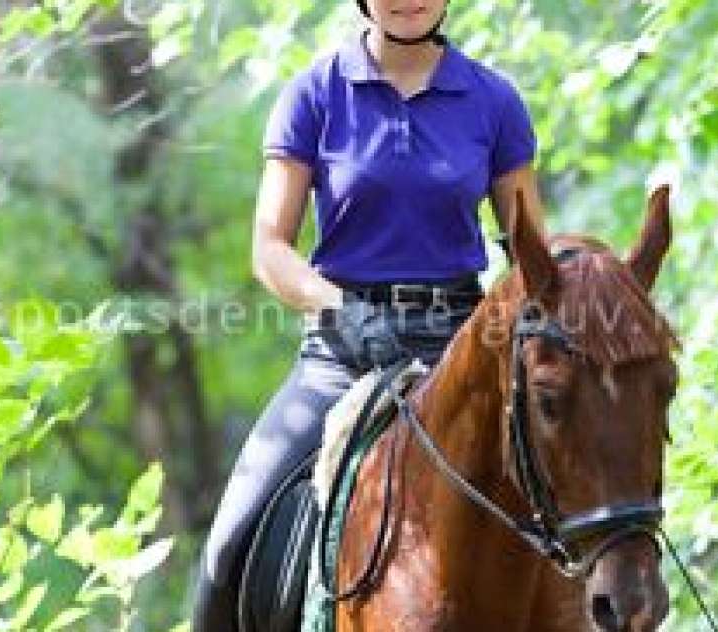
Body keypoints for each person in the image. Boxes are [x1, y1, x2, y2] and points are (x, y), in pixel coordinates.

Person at [191, 0, 544, 630]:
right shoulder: (314, 95)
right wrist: (341, 310)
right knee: (228, 547)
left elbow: (532, 255)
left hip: (460, 344)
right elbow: (270, 248)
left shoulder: (493, 101)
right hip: (343, 352)